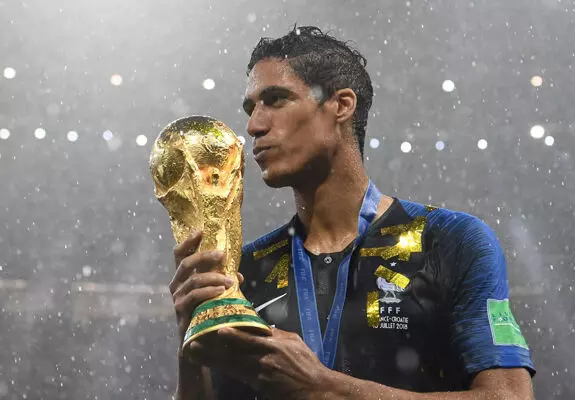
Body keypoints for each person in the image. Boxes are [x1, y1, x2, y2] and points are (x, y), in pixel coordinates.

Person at [169, 26, 535, 400]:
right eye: (251, 109)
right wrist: (190, 344)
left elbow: (510, 397)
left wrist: (322, 387)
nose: (254, 126)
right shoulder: (242, 272)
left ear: (341, 106)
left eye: (276, 100)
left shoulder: (450, 241)